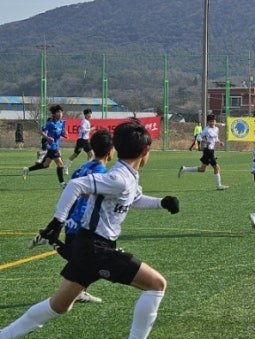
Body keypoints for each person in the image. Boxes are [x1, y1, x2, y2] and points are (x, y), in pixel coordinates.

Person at [0, 120, 180, 339]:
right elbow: (76, 185)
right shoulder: (119, 178)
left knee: (60, 305)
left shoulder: (127, 175)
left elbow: (135, 199)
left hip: (89, 246)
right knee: (156, 285)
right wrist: (57, 221)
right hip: (96, 248)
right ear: (145, 150)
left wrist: (162, 203)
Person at [30, 128, 114, 304]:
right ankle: (51, 240)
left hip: (71, 216)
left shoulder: (84, 166)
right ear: (110, 151)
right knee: (82, 258)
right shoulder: (100, 171)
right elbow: (88, 194)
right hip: (83, 218)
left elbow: (72, 189)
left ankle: (79, 291)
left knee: (79, 258)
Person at [178, 114, 228, 190]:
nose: (212, 123)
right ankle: (219, 186)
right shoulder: (206, 130)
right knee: (216, 167)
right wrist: (204, 141)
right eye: (210, 121)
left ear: (215, 121)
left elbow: (216, 138)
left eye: (213, 121)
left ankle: (184, 169)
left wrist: (219, 142)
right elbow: (198, 137)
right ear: (208, 122)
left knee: (202, 169)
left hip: (211, 151)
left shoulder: (216, 129)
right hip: (208, 151)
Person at [22, 105, 68, 187]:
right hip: (52, 147)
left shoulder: (61, 123)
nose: (60, 114)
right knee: (60, 164)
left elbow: (61, 133)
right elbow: (40, 131)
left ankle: (27, 169)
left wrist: (64, 134)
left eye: (61, 112)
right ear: (54, 114)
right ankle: (62, 184)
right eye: (58, 112)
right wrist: (48, 137)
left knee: (45, 165)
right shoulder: (50, 124)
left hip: (56, 146)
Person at [64, 109, 95, 175]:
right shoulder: (84, 121)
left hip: (86, 140)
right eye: (89, 114)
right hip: (82, 141)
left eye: (90, 114)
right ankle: (65, 167)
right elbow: (83, 130)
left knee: (91, 154)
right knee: (75, 154)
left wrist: (90, 131)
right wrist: (91, 129)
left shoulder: (87, 121)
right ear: (85, 114)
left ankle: (86, 169)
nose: (90, 115)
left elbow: (85, 131)